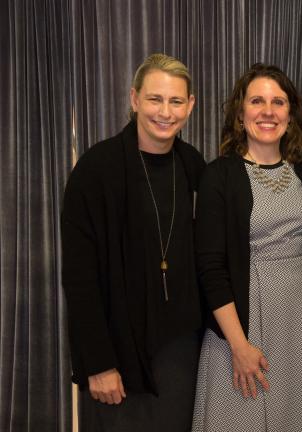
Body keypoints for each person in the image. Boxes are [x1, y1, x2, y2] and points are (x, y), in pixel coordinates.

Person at [61, 53, 205, 431]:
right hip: (116, 351)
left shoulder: (193, 165)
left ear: (190, 106)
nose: (165, 112)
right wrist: (98, 363)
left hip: (178, 349)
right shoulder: (95, 170)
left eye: (176, 101)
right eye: (155, 99)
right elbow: (79, 279)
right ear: (134, 99)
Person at [191, 63, 302, 432]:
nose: (268, 111)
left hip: (301, 320)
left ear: (290, 114)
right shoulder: (218, 175)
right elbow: (211, 267)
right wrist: (238, 345)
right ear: (240, 115)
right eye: (257, 101)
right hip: (240, 324)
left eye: (278, 102)